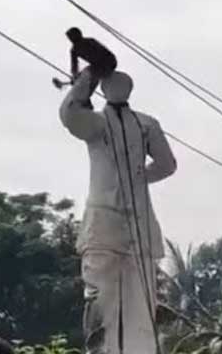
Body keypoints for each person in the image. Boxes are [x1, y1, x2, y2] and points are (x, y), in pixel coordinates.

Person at [59, 39, 177, 354]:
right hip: (132, 223)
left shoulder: (99, 122)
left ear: (107, 90)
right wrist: (140, 177)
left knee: (103, 303)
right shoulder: (146, 124)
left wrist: (87, 78)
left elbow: (70, 113)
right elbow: (168, 165)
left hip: (107, 224)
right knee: (137, 310)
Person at [66, 27, 118, 109]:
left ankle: (85, 98)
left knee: (90, 75)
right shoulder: (74, 50)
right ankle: (85, 98)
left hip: (108, 62)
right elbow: (74, 66)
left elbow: (103, 53)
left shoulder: (89, 42)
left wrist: (80, 75)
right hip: (99, 65)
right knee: (88, 74)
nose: (71, 40)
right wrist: (75, 76)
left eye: (72, 37)